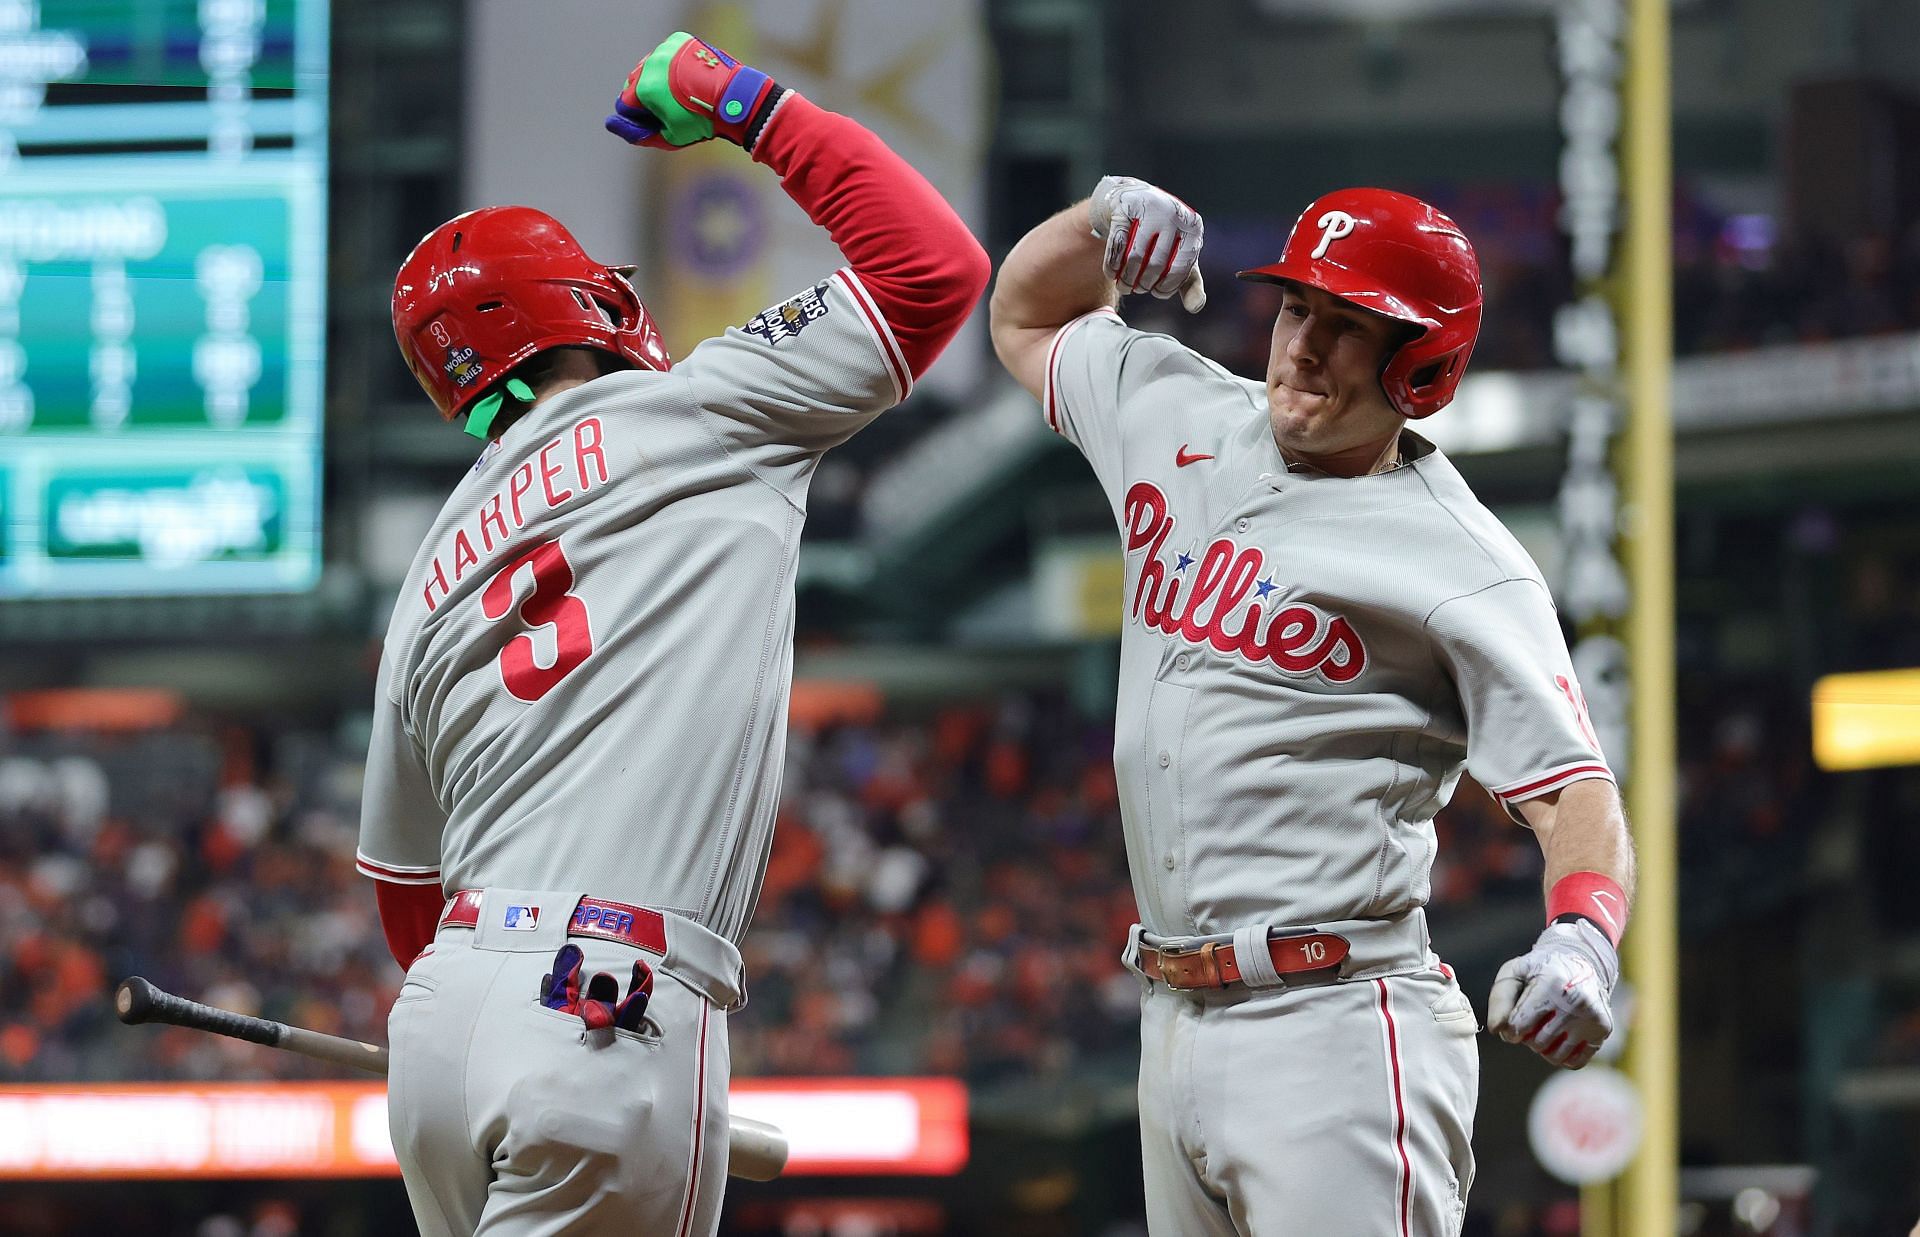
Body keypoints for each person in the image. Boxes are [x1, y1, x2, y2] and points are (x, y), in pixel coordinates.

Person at [356, 31, 987, 1236]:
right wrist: (735, 100)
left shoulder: (428, 566)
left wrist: (496, 1025)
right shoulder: (692, 410)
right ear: (579, 305)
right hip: (612, 994)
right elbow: (933, 268)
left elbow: (402, 894)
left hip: (445, 1020)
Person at [989, 176, 1637, 1234]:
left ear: (1421, 364)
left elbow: (1573, 790)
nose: (1303, 346)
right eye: (1297, 307)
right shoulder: (1178, 410)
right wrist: (1093, 226)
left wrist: (1584, 938)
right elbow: (1023, 314)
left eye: (1347, 327)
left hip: (1335, 1028)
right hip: (1171, 1011)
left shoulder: (1461, 557)